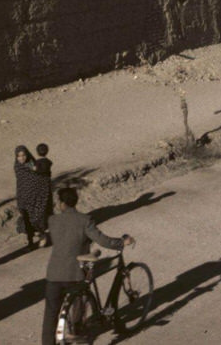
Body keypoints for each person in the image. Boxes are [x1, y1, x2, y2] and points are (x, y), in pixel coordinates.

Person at [41, 185, 133, 345]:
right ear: (75, 202)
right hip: (74, 273)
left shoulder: (53, 220)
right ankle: (78, 331)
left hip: (54, 273)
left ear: (61, 203)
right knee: (80, 300)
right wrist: (121, 242)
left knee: (50, 314)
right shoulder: (85, 220)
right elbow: (103, 240)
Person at [14, 145, 50, 248]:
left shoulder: (34, 165)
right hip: (23, 198)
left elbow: (43, 178)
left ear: (27, 154)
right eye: (19, 156)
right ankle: (30, 242)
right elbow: (21, 183)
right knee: (27, 220)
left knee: (37, 218)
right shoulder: (18, 167)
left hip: (36, 199)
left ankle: (42, 235)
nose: (22, 158)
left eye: (24, 155)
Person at [33, 143, 54, 246]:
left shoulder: (36, 164)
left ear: (37, 152)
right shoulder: (48, 163)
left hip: (39, 190)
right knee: (48, 208)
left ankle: (42, 235)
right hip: (47, 189)